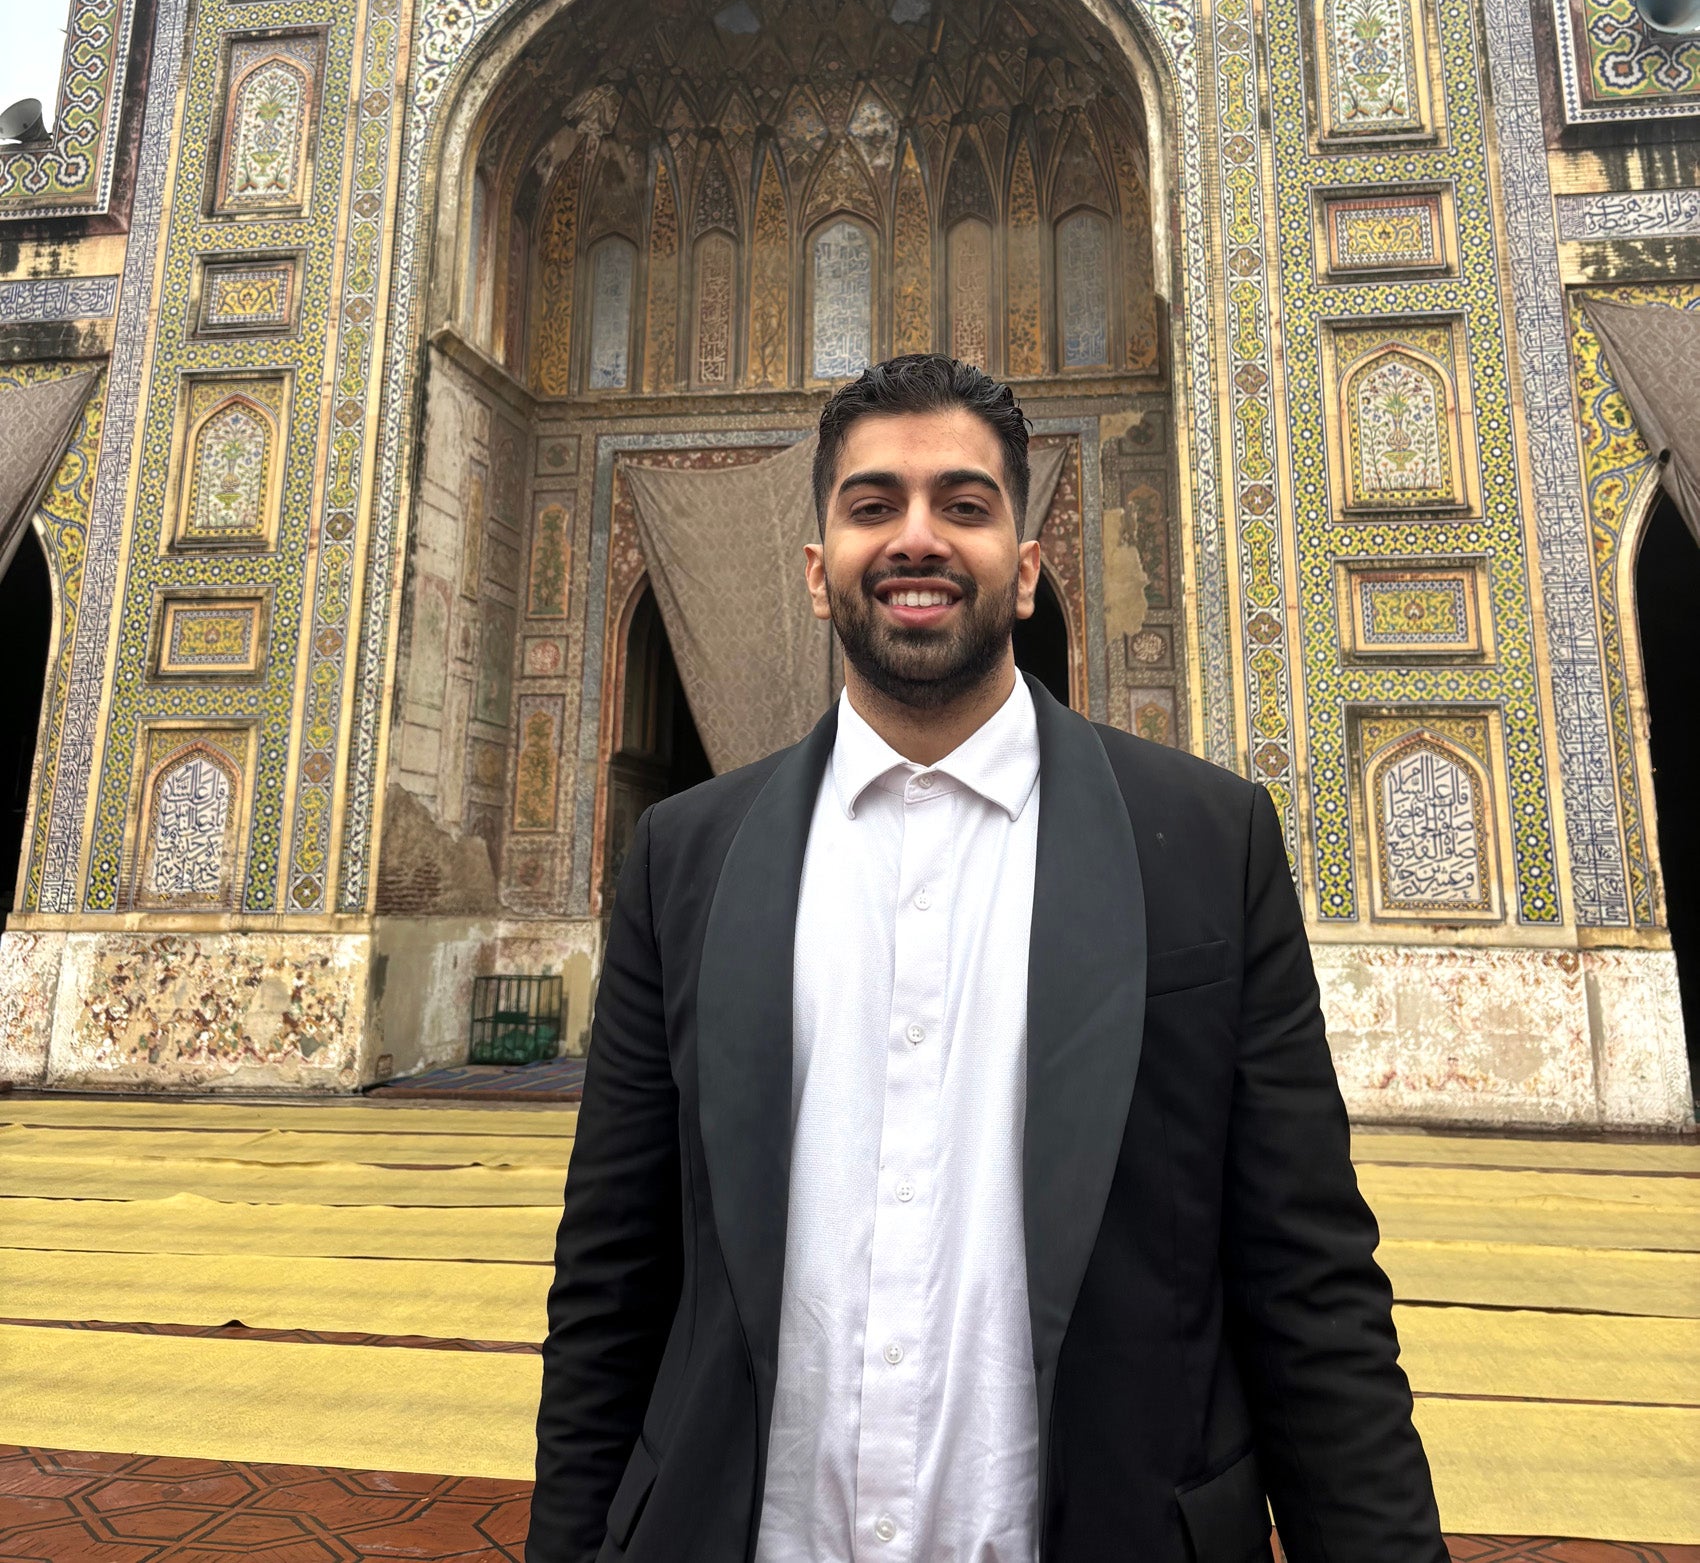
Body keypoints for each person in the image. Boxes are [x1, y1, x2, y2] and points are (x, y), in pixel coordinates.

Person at [528, 354, 1446, 1563]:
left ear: (1024, 567)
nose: (916, 537)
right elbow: (612, 1278)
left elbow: (1309, 1282)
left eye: (963, 505)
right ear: (817, 572)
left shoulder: (1202, 842)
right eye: (871, 506)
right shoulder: (686, 857)